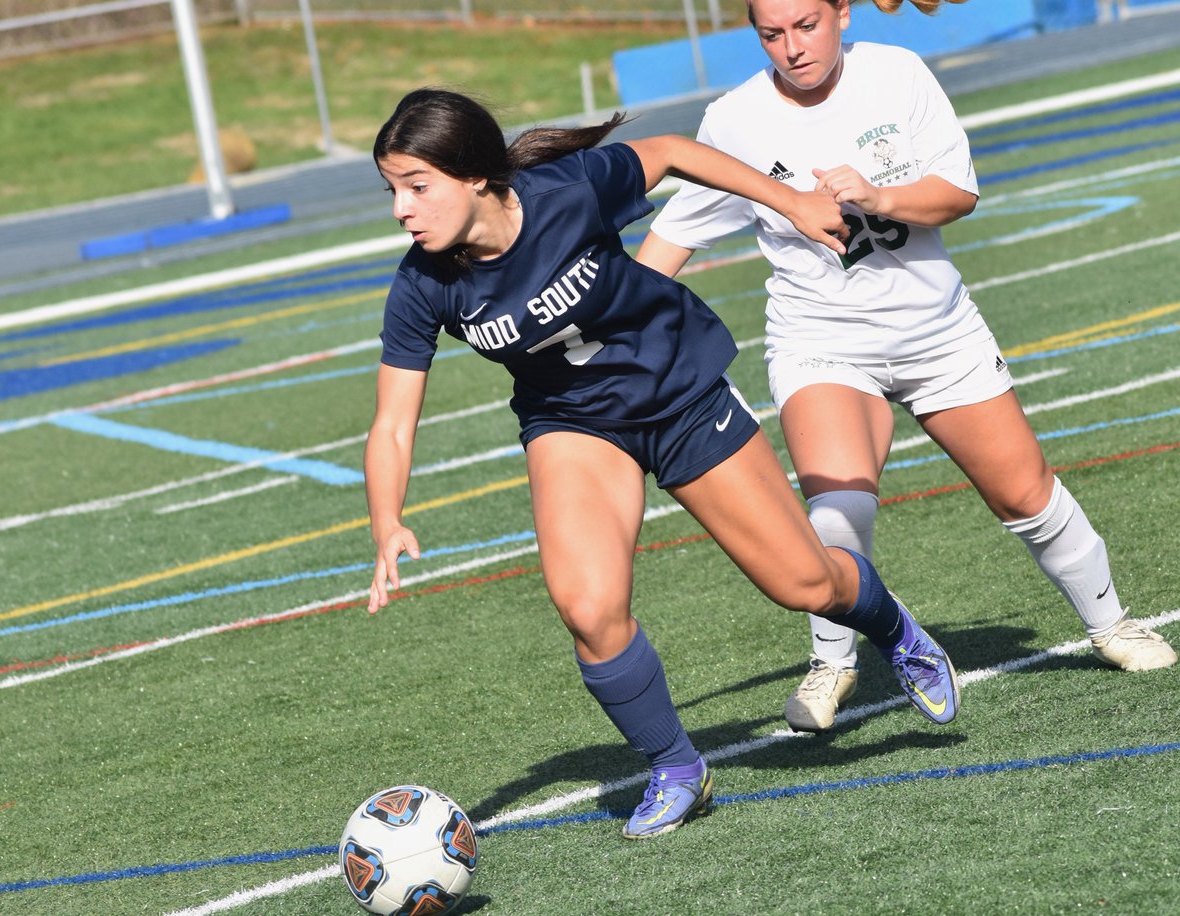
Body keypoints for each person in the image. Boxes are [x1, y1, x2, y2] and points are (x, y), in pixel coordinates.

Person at [364, 87, 961, 840]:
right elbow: (392, 424)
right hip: (573, 424)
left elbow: (674, 152)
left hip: (680, 394)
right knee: (588, 609)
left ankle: (891, 625)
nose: (402, 210)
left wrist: (791, 203)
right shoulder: (422, 284)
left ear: (475, 174)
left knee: (804, 584)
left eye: (417, 187)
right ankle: (677, 768)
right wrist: (387, 521)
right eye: (392, 191)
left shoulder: (569, 190)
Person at [636, 0, 1176, 735]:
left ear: (842, 12)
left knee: (1025, 494)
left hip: (937, 330)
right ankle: (832, 661)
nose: (792, 47)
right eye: (771, 33)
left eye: (807, 25)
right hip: (821, 338)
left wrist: (879, 195)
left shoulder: (897, 74)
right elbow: (675, 237)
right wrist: (616, 325)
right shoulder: (735, 119)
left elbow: (958, 193)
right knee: (838, 507)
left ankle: (1111, 625)